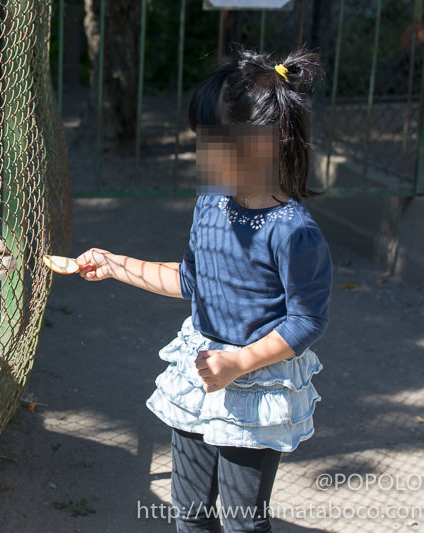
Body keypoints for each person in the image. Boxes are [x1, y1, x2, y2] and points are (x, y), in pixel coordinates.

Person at [75, 48, 332, 533]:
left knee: (241, 521)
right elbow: (193, 281)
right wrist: (115, 265)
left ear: (263, 145)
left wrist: (239, 362)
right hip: (200, 371)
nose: (202, 156)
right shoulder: (210, 203)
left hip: (255, 383)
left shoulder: (294, 231)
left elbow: (307, 320)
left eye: (214, 144)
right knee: (189, 512)